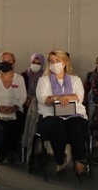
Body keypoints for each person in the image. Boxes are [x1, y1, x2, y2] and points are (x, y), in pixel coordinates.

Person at [35, 50, 88, 180]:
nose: (54, 64)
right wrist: (54, 99)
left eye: (57, 61)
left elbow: (78, 96)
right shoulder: (43, 80)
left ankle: (79, 162)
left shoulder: (75, 80)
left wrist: (64, 97)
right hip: (50, 115)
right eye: (51, 61)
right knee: (58, 126)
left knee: (77, 126)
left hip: (73, 115)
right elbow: (44, 99)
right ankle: (60, 162)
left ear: (65, 63)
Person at [0, 51, 26, 164]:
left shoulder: (19, 78)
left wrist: (14, 107)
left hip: (14, 110)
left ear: (13, 64)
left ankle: (10, 151)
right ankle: (4, 152)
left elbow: (23, 96)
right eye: (3, 60)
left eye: (8, 61)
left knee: (15, 123)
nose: (5, 62)